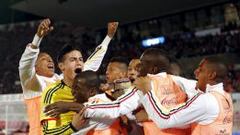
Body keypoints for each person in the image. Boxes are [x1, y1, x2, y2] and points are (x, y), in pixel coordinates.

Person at [19, 18, 118, 135]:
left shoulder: (61, 79)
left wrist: (108, 38)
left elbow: (90, 64)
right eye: (44, 59)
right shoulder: (33, 85)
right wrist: (37, 40)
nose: (50, 61)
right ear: (35, 67)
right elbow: (25, 67)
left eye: (50, 59)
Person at [83, 48, 197, 135]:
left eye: (141, 65)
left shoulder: (142, 85)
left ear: (153, 69)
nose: (138, 69)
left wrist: (85, 108)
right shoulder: (182, 82)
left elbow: (118, 107)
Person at [140, 56, 233, 135]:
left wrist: (147, 92)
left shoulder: (205, 100)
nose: (195, 72)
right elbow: (188, 121)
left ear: (211, 75)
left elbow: (165, 121)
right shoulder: (226, 97)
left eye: (200, 70)